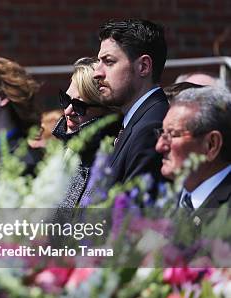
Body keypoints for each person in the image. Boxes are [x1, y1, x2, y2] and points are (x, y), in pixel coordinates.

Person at [93, 19, 169, 185]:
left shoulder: (150, 128)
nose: (96, 73)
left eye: (109, 61)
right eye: (99, 61)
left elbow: (133, 208)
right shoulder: (136, 121)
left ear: (143, 66)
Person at [52, 57, 120, 208]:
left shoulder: (109, 160)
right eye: (65, 99)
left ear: (105, 110)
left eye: (79, 105)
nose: (68, 111)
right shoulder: (61, 151)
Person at [155, 86, 231, 211]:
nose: (159, 146)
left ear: (211, 144)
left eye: (172, 135)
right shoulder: (166, 203)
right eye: (161, 133)